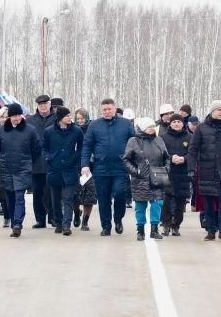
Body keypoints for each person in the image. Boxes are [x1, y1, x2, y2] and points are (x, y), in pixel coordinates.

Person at [81, 98, 136, 236]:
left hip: (120, 167)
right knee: (103, 198)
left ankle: (118, 218)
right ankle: (106, 226)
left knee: (119, 193)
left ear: (115, 109)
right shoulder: (94, 125)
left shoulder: (125, 124)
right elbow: (87, 146)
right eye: (104, 109)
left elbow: (134, 143)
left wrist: (135, 162)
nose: (106, 112)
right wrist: (85, 165)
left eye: (109, 109)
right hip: (101, 167)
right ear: (101, 110)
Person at [188, 100, 221, 242]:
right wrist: (191, 168)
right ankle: (211, 230)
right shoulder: (201, 128)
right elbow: (193, 150)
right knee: (208, 202)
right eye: (218, 110)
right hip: (206, 170)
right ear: (212, 112)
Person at [0, 102, 43, 238]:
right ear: (9, 117)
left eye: (18, 115)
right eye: (14, 115)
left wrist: (28, 161)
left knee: (19, 196)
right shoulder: (0, 131)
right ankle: (14, 222)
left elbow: (37, 149)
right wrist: (2, 160)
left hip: (23, 168)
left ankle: (17, 224)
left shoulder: (30, 130)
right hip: (6, 168)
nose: (17, 118)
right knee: (10, 197)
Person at [123, 117, 170, 240]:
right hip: (140, 178)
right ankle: (140, 230)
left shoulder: (159, 140)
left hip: (158, 175)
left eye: (152, 126)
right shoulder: (133, 141)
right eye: (149, 126)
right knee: (140, 205)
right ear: (143, 128)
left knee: (158, 203)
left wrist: (166, 169)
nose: (151, 128)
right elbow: (126, 159)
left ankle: (154, 229)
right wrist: (136, 171)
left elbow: (166, 157)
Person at [43, 106, 83, 236]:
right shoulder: (49, 131)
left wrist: (75, 159)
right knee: (55, 199)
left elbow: (82, 148)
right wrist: (48, 158)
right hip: (54, 169)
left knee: (68, 197)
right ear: (60, 118)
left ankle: (66, 225)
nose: (69, 118)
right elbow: (44, 148)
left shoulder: (76, 131)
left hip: (70, 169)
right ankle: (59, 223)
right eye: (66, 116)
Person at [26, 94, 55, 228]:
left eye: (45, 104)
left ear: (50, 104)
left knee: (52, 191)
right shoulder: (30, 120)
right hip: (35, 162)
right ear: (37, 106)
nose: (43, 106)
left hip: (53, 161)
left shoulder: (57, 119)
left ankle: (53, 217)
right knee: (37, 192)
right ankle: (40, 219)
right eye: (40, 104)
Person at [160, 113, 192, 236]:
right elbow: (160, 154)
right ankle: (166, 225)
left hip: (183, 172)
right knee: (166, 199)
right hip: (167, 171)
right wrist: (170, 158)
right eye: (174, 122)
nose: (176, 124)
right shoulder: (163, 137)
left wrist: (184, 159)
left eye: (179, 122)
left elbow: (193, 153)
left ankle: (176, 225)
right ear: (170, 123)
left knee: (180, 201)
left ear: (183, 123)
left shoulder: (189, 137)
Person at [73, 108, 97, 231]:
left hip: (90, 165)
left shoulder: (92, 129)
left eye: (82, 118)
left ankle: (85, 221)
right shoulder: (73, 130)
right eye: (77, 119)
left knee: (90, 195)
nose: (80, 121)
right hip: (76, 165)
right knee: (75, 194)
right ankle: (77, 213)